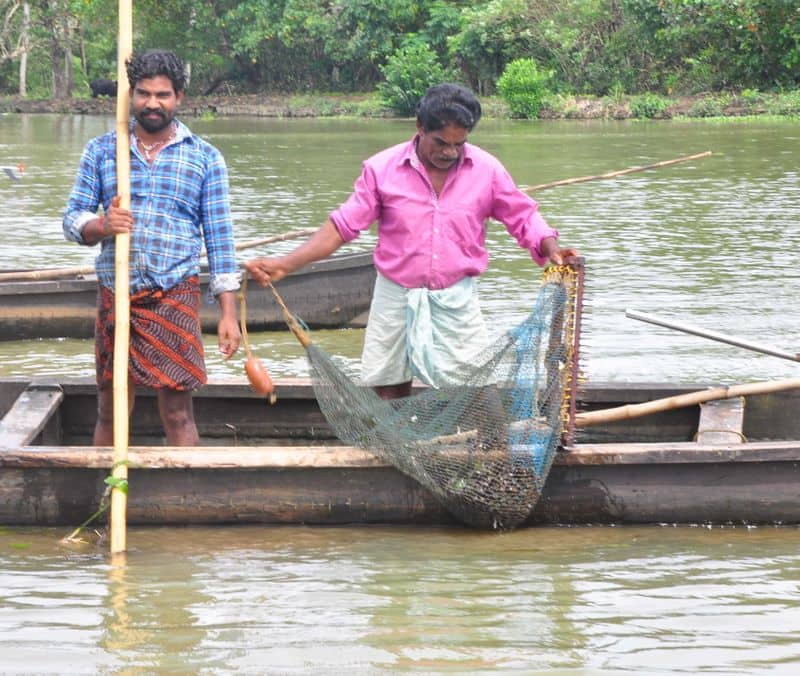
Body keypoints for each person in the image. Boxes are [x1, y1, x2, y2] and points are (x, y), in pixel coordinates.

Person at [245, 82, 577, 400]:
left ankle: (490, 451)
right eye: (440, 143)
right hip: (395, 294)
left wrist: (550, 248)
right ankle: (399, 452)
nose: (450, 152)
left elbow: (522, 215)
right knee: (389, 388)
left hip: (456, 296)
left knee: (477, 389)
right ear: (419, 126)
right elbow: (342, 227)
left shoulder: (486, 170)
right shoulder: (382, 170)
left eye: (459, 144)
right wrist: (285, 264)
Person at [63, 49, 241, 446]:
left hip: (174, 293)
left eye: (163, 95)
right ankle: (107, 492)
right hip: (117, 294)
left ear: (179, 97)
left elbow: (220, 241)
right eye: (143, 94)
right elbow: (71, 219)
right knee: (109, 408)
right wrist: (101, 226)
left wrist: (228, 314)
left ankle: (185, 498)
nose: (152, 103)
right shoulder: (103, 151)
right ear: (131, 95)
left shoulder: (204, 158)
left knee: (178, 413)